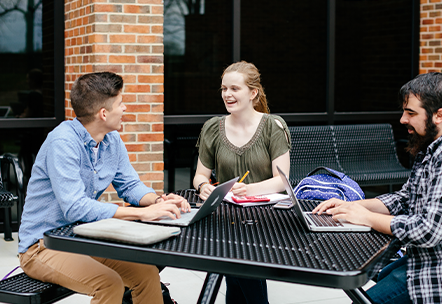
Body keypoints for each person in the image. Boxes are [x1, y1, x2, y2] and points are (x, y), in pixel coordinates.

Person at [313, 72, 442, 304]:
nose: (403, 119)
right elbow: (406, 198)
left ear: (439, 115)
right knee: (376, 280)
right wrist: (352, 206)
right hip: (434, 254)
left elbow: (428, 230)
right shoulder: (436, 143)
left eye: (411, 113)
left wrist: (367, 218)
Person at [18, 72, 190, 304]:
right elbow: (75, 207)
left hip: (83, 239)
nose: (125, 108)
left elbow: (130, 185)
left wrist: (159, 202)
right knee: (108, 283)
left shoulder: (111, 140)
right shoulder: (63, 143)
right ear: (103, 113)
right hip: (42, 246)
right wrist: (141, 213)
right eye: (121, 103)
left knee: (146, 273)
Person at [193, 61, 291, 304]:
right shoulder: (212, 128)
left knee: (239, 267)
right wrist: (204, 187)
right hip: (225, 216)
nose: (227, 94)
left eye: (235, 89)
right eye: (224, 89)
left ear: (253, 93)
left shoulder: (273, 126)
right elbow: (200, 175)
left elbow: (282, 180)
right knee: (236, 273)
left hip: (265, 219)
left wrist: (249, 190)